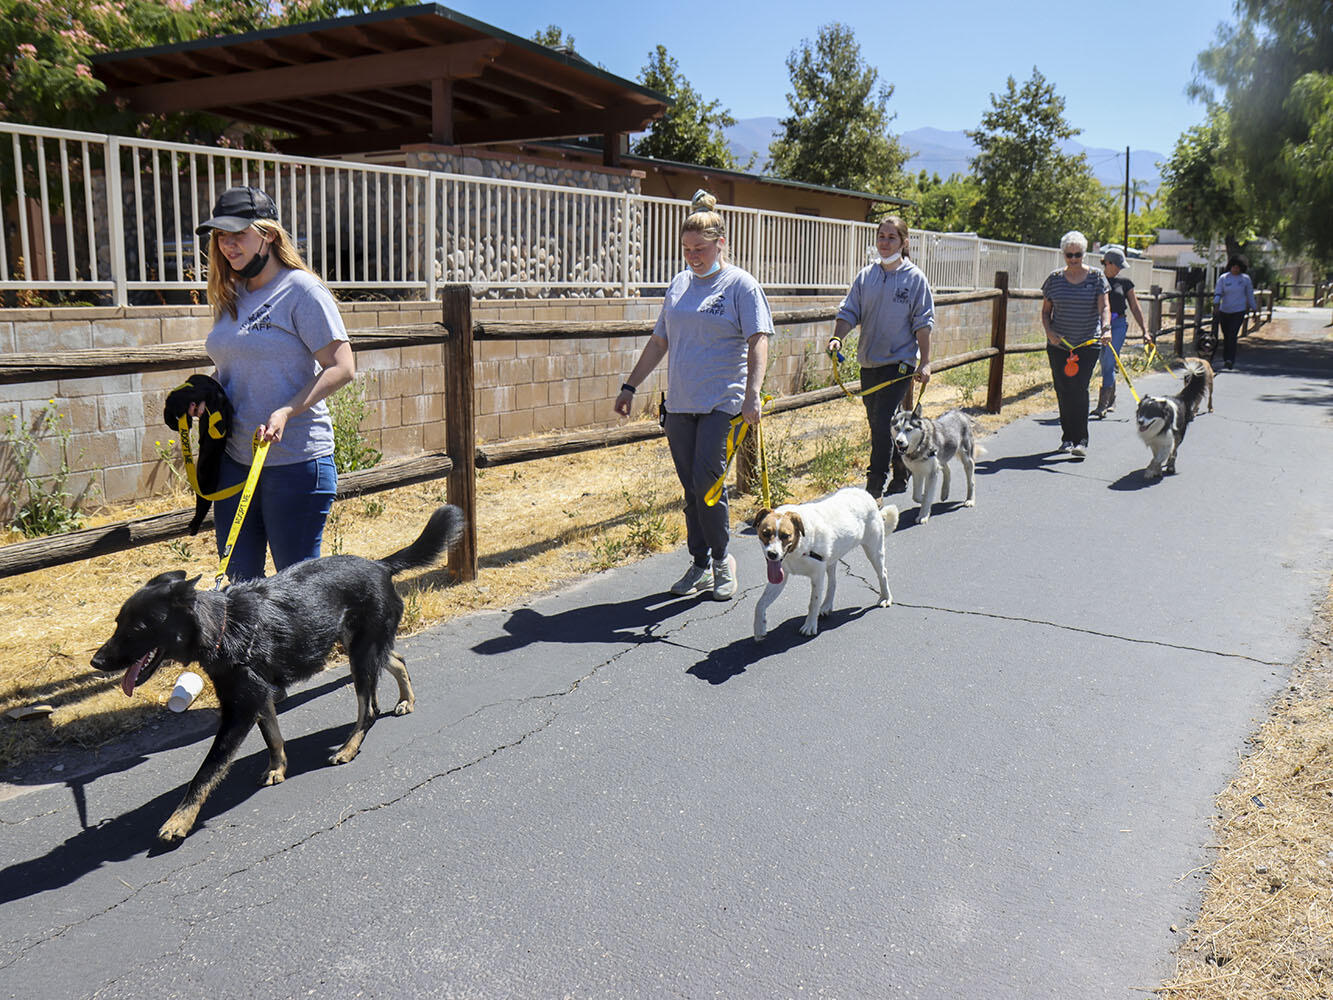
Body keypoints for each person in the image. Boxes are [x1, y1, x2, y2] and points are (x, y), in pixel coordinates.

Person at [613, 190, 772, 601]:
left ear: (721, 243)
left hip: (723, 401)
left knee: (708, 483)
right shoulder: (680, 284)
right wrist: (630, 385)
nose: (693, 256)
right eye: (686, 249)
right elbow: (659, 340)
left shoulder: (741, 286)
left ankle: (722, 560)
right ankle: (699, 563)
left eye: (700, 248)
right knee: (691, 489)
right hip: (681, 403)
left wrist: (753, 393)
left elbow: (758, 341)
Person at [193, 185, 355, 582]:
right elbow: (237, 367)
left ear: (268, 235)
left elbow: (342, 367)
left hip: (295, 462)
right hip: (236, 460)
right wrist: (206, 393)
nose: (228, 245)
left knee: (294, 590)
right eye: (221, 236)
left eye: (238, 234)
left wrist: (287, 410)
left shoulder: (301, 290)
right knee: (240, 586)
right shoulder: (231, 293)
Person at [826, 215, 934, 499]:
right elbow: (850, 311)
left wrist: (925, 362)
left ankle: (873, 490)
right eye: (881, 237)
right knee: (880, 420)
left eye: (892, 237)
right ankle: (901, 471)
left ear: (904, 241)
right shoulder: (866, 276)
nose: (885, 243)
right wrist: (838, 336)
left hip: (900, 363)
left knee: (882, 421)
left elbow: (923, 322)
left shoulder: (915, 278)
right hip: (869, 362)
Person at [1041, 231, 1111, 458]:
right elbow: (1045, 312)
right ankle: (1067, 437)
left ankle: (1081, 439)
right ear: (1063, 255)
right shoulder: (1054, 279)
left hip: (1087, 342)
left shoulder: (1097, 277)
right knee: (1063, 389)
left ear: (1084, 253)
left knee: (1079, 388)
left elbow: (1105, 307)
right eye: (1069, 255)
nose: (1073, 259)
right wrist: (1049, 332)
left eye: (1078, 254)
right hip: (1059, 344)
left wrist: (1106, 328)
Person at [1092, 246, 1150, 418]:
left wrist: (1145, 330)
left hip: (1117, 325)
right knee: (1103, 360)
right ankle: (1111, 398)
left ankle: (1102, 405)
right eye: (1117, 265)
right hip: (1097, 324)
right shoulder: (1095, 281)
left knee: (1109, 359)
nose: (1119, 269)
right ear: (1107, 263)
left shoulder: (1124, 283)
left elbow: (1135, 307)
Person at [1213, 255, 1257, 370]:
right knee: (1226, 335)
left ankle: (1230, 359)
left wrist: (1254, 309)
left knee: (1233, 335)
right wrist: (1216, 305)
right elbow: (1218, 292)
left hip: (1238, 311)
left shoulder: (1245, 279)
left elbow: (1250, 295)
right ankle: (1225, 357)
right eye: (1233, 267)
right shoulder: (1223, 278)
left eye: (1238, 267)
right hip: (1225, 310)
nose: (1235, 269)